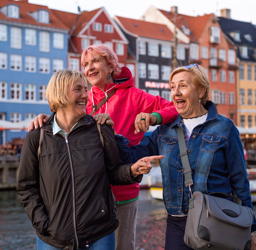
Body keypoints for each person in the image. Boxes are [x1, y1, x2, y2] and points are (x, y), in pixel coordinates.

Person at [30, 44, 178, 250]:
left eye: (95, 61)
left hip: (122, 187)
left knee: (122, 246)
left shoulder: (135, 96)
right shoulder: (85, 99)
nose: (88, 68)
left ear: (111, 66)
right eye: (85, 64)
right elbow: (63, 120)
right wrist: (46, 120)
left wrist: (154, 116)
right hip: (88, 193)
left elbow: (175, 108)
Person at [117, 64, 256, 250]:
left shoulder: (224, 127)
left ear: (201, 91)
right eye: (172, 87)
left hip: (218, 220)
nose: (176, 92)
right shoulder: (164, 131)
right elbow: (131, 154)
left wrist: (248, 229)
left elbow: (239, 180)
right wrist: (109, 131)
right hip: (177, 222)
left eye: (183, 86)